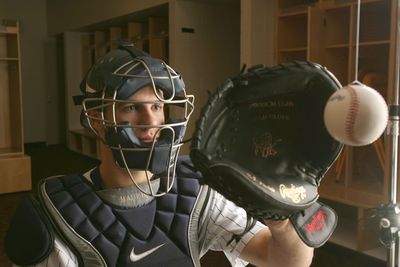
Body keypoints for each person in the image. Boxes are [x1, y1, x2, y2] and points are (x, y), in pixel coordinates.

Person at [5, 43, 313, 267]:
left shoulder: (196, 190)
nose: (152, 122)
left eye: (156, 106)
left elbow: (284, 261)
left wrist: (280, 217)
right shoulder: (60, 215)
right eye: (131, 107)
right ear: (96, 119)